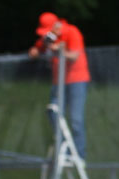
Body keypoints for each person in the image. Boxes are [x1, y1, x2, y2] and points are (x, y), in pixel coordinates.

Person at [28, 12, 90, 159]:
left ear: (56, 26)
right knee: (53, 113)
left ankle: (79, 155)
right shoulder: (49, 38)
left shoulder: (72, 32)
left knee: (76, 119)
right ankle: (62, 147)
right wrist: (36, 51)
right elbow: (36, 50)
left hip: (77, 80)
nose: (46, 35)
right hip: (59, 82)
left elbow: (74, 55)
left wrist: (58, 49)